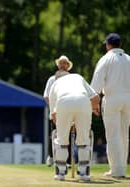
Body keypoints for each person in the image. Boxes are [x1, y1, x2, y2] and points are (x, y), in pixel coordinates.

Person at [90, 33, 130, 178]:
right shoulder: (129, 59)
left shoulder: (106, 59)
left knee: (113, 135)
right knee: (124, 134)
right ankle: (122, 168)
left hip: (112, 98)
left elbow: (96, 84)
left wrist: (94, 102)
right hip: (128, 98)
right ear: (120, 44)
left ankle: (116, 170)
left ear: (108, 45)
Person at [49, 73, 100, 181]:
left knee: (62, 139)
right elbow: (96, 98)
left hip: (63, 101)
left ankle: (61, 172)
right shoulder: (78, 77)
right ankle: (83, 173)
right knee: (83, 139)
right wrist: (93, 107)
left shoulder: (54, 84)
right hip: (83, 100)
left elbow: (54, 116)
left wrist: (66, 123)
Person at [43, 55, 73, 166]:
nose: (62, 65)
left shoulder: (72, 78)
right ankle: (51, 156)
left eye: (65, 63)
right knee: (54, 135)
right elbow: (47, 96)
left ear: (68, 66)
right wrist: (53, 110)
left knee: (69, 136)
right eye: (61, 63)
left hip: (68, 111)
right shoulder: (52, 79)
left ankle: (68, 161)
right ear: (58, 65)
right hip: (55, 112)